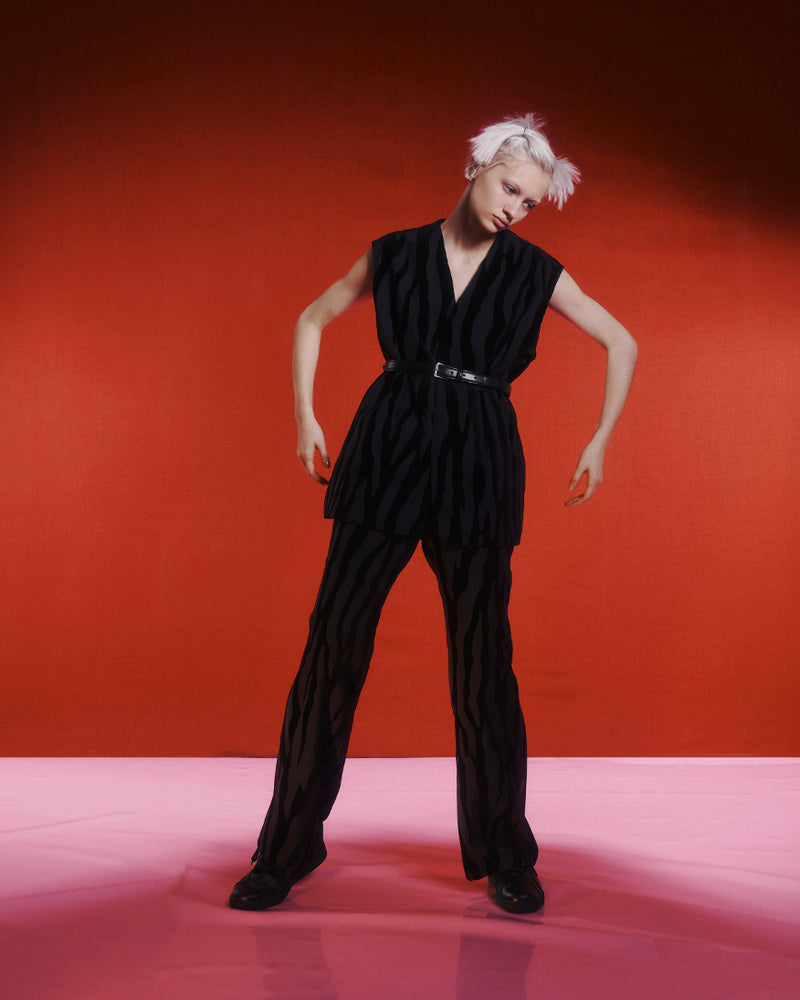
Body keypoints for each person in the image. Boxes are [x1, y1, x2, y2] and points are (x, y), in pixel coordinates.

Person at [229, 113, 637, 915]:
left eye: (529, 201)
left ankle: (506, 856)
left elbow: (621, 341)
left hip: (479, 459)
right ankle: (283, 850)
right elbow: (313, 317)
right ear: (476, 167)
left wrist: (600, 440)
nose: (515, 208)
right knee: (332, 649)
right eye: (508, 188)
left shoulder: (536, 271)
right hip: (386, 447)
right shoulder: (395, 253)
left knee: (484, 662)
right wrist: (307, 416)